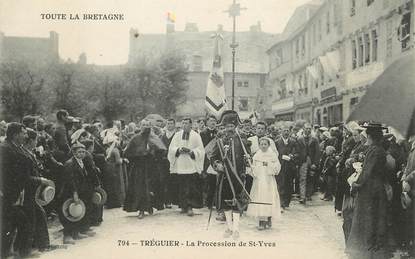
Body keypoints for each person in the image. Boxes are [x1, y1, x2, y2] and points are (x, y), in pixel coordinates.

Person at [346, 123, 389, 259]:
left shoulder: (374, 150)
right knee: (375, 217)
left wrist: (356, 185)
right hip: (378, 187)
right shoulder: (380, 149)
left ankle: (365, 250)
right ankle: (372, 249)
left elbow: (367, 172)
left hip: (370, 189)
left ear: (370, 135)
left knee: (366, 219)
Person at [209, 110, 248, 240]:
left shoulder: (242, 140)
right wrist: (217, 164)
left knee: (237, 202)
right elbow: (213, 157)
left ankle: (236, 229)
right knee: (226, 203)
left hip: (238, 177)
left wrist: (248, 159)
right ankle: (229, 227)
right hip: (224, 177)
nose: (229, 129)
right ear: (224, 127)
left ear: (235, 126)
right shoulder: (219, 141)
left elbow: (247, 156)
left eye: (232, 126)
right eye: (227, 127)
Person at [123, 119, 166, 219]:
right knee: (140, 188)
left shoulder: (154, 137)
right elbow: (126, 152)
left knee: (152, 187)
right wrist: (139, 155)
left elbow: (162, 150)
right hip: (139, 168)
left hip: (151, 167)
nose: (146, 127)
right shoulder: (135, 138)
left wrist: (154, 152)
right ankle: (141, 209)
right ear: (140, 126)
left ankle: (150, 206)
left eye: (147, 125)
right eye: (144, 125)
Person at [58, 143, 98, 245]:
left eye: (83, 152)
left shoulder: (81, 162)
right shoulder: (70, 163)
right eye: (79, 152)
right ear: (74, 152)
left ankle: (76, 233)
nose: (82, 154)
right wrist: (74, 193)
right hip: (69, 192)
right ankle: (67, 236)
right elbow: (70, 180)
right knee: (70, 214)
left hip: (80, 191)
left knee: (77, 212)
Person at [168, 118, 205, 216]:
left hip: (191, 165)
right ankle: (183, 206)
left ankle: (190, 206)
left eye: (186, 123)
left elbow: (201, 150)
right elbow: (171, 148)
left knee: (191, 187)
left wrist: (192, 152)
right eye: (183, 123)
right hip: (180, 165)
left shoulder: (196, 136)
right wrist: (178, 150)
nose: (184, 125)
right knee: (182, 187)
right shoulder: (177, 135)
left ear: (191, 125)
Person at [247, 138, 281, 230]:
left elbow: (277, 168)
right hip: (259, 181)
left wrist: (268, 165)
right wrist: (251, 167)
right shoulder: (257, 155)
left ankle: (269, 218)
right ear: (259, 145)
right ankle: (261, 221)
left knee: (269, 198)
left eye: (265, 144)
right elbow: (253, 169)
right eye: (261, 144)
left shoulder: (272, 155)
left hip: (268, 180)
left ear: (268, 145)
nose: (263, 146)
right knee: (260, 197)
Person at [296, 123, 320, 204]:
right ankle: (302, 197)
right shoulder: (299, 139)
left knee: (311, 178)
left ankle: (308, 194)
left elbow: (317, 152)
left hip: (311, 161)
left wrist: (315, 163)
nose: (308, 130)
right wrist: (297, 162)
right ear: (303, 129)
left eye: (310, 128)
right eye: (306, 128)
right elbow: (297, 151)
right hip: (303, 162)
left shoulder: (315, 139)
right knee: (302, 179)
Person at [275, 126, 298, 209]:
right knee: (280, 184)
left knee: (289, 184)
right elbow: (275, 154)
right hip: (280, 166)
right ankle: (281, 201)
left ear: (290, 132)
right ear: (281, 132)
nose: (286, 132)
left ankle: (287, 202)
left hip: (290, 167)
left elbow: (297, 152)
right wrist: (282, 157)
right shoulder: (277, 142)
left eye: (287, 131)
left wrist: (293, 156)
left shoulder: (293, 142)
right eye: (284, 131)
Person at [200, 115, 218, 209]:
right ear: (207, 122)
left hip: (214, 160)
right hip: (205, 159)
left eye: (214, 121)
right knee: (205, 180)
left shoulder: (218, 133)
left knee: (214, 181)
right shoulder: (202, 133)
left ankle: (213, 202)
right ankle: (205, 201)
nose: (213, 122)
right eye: (211, 121)